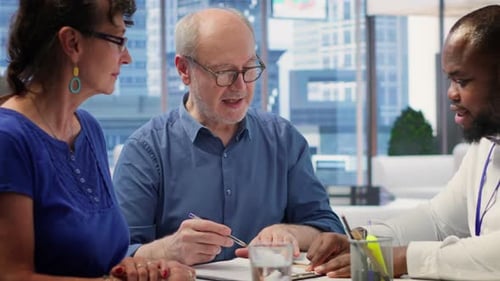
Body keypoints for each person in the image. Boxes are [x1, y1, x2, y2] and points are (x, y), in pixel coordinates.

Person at [112, 7, 345, 266]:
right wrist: (167, 250)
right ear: (184, 69)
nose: (241, 87)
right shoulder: (146, 151)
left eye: (249, 69)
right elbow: (116, 254)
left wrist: (292, 233)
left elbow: (328, 230)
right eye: (224, 73)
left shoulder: (284, 140)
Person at [0, 1, 194, 280]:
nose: (126, 57)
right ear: (72, 43)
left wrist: (133, 269)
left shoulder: (88, 129)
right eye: (118, 40)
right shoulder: (8, 139)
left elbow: (101, 260)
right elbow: (11, 276)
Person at [305, 5, 500, 280]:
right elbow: (438, 220)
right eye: (450, 80)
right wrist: (363, 242)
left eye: (462, 81)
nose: (451, 94)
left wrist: (402, 258)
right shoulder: (485, 145)